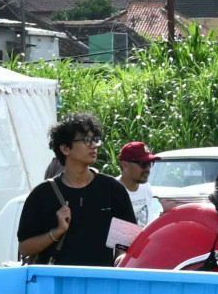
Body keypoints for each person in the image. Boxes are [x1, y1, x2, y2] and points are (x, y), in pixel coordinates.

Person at [17, 112, 138, 266]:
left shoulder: (112, 189)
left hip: (100, 279)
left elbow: (127, 242)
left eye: (95, 139)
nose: (94, 145)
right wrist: (57, 231)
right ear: (65, 148)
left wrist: (119, 262)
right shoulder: (42, 194)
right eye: (86, 140)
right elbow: (25, 248)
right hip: (56, 279)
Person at [117, 141, 161, 228]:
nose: (148, 169)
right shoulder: (112, 190)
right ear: (125, 165)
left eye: (150, 163)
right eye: (143, 164)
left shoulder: (146, 187)